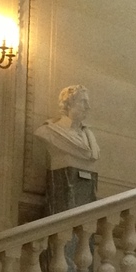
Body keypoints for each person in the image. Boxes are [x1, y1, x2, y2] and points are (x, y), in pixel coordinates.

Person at [35, 85, 100, 214]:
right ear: (68, 104)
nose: (88, 107)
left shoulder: (89, 135)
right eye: (83, 102)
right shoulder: (48, 132)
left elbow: (93, 154)